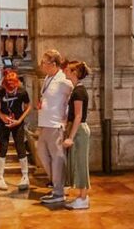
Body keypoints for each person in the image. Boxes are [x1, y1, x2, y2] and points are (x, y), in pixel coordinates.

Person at [36, 49, 73, 205]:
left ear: (54, 64)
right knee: (43, 154)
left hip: (55, 124)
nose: (42, 65)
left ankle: (59, 191)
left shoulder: (63, 80)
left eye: (44, 62)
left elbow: (73, 96)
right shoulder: (47, 77)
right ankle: (57, 184)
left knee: (57, 158)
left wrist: (66, 117)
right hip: (44, 123)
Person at [0, 69, 31, 191]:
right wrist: (1, 116)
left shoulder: (22, 92)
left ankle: (25, 176)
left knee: (20, 146)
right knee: (3, 146)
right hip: (4, 121)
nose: (11, 92)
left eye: (13, 90)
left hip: (17, 121)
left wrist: (20, 120)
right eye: (9, 90)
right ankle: (0, 177)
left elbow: (28, 106)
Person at [63, 61, 91, 210]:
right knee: (77, 163)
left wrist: (70, 137)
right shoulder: (76, 90)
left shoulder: (79, 91)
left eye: (68, 69)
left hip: (79, 130)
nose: (65, 71)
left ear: (74, 73)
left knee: (81, 164)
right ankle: (81, 196)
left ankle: (83, 197)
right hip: (77, 129)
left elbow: (78, 116)